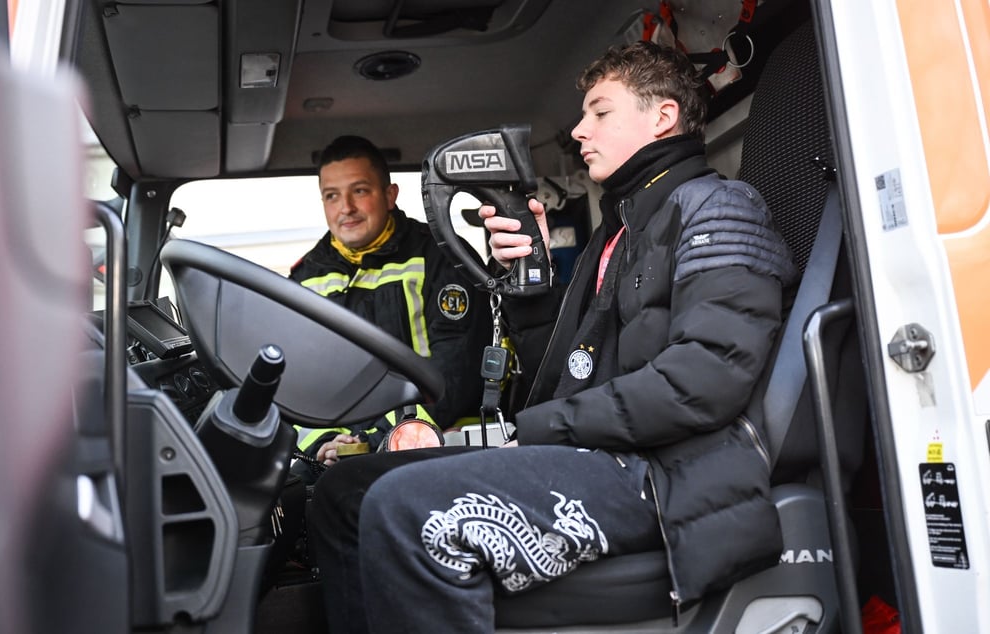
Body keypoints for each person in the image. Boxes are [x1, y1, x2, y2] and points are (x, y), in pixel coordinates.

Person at [308, 40, 798, 633]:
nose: (578, 130)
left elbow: (703, 381)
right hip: (603, 452)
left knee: (404, 509)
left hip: (666, 475)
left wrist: (533, 432)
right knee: (343, 491)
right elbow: (571, 377)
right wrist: (532, 291)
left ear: (662, 117)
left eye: (600, 112)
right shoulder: (620, 227)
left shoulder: (718, 209)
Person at [288, 135, 491, 465]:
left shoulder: (442, 258)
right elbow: (293, 385)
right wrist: (321, 442)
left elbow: (457, 372)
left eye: (360, 190)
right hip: (338, 457)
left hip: (432, 448)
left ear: (390, 195)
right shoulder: (304, 279)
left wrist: (380, 437)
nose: (346, 208)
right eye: (332, 196)